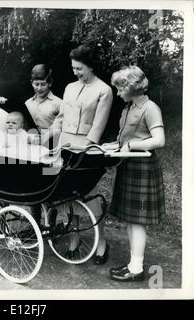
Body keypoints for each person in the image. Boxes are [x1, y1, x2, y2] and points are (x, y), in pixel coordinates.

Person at [49, 44, 113, 263]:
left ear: (91, 66)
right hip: (65, 146)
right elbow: (61, 117)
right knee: (68, 196)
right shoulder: (69, 87)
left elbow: (98, 125)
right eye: (74, 68)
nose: (75, 72)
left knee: (90, 197)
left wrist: (85, 148)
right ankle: (74, 239)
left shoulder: (104, 90)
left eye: (80, 68)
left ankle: (101, 242)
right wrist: (54, 136)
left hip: (87, 149)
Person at [108, 66, 165, 281]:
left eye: (120, 88)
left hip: (143, 168)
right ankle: (134, 265)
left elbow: (159, 140)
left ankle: (137, 269)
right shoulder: (129, 108)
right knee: (131, 219)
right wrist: (112, 145)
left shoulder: (150, 108)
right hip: (129, 165)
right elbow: (126, 139)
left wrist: (131, 145)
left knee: (138, 221)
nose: (117, 92)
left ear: (131, 87)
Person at [25, 64, 63, 224]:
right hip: (33, 151)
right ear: (32, 83)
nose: (39, 88)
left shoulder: (58, 103)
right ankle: (35, 223)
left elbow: (61, 127)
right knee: (33, 185)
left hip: (53, 151)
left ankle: (51, 224)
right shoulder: (27, 103)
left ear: (50, 83)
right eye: (36, 84)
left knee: (50, 186)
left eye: (43, 84)